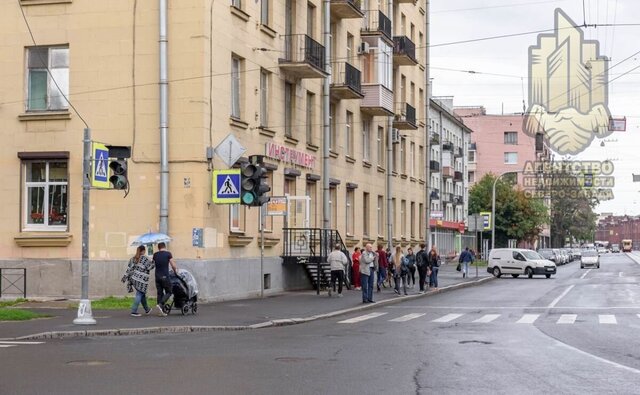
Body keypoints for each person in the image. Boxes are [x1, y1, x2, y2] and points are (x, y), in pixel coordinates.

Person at [122, 245, 155, 316]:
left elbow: (129, 268)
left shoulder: (133, 258)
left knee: (142, 294)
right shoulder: (144, 258)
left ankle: (147, 309)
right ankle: (134, 311)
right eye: (144, 250)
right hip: (141, 281)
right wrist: (153, 261)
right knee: (139, 294)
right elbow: (150, 267)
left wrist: (125, 277)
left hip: (133, 279)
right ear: (143, 251)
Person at [153, 242, 177, 316]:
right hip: (165, 276)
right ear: (164, 246)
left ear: (158, 248)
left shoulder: (155, 255)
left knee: (159, 293)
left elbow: (153, 264)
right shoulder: (168, 254)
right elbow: (173, 265)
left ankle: (160, 311)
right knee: (169, 292)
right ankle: (160, 305)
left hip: (157, 276)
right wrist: (175, 270)